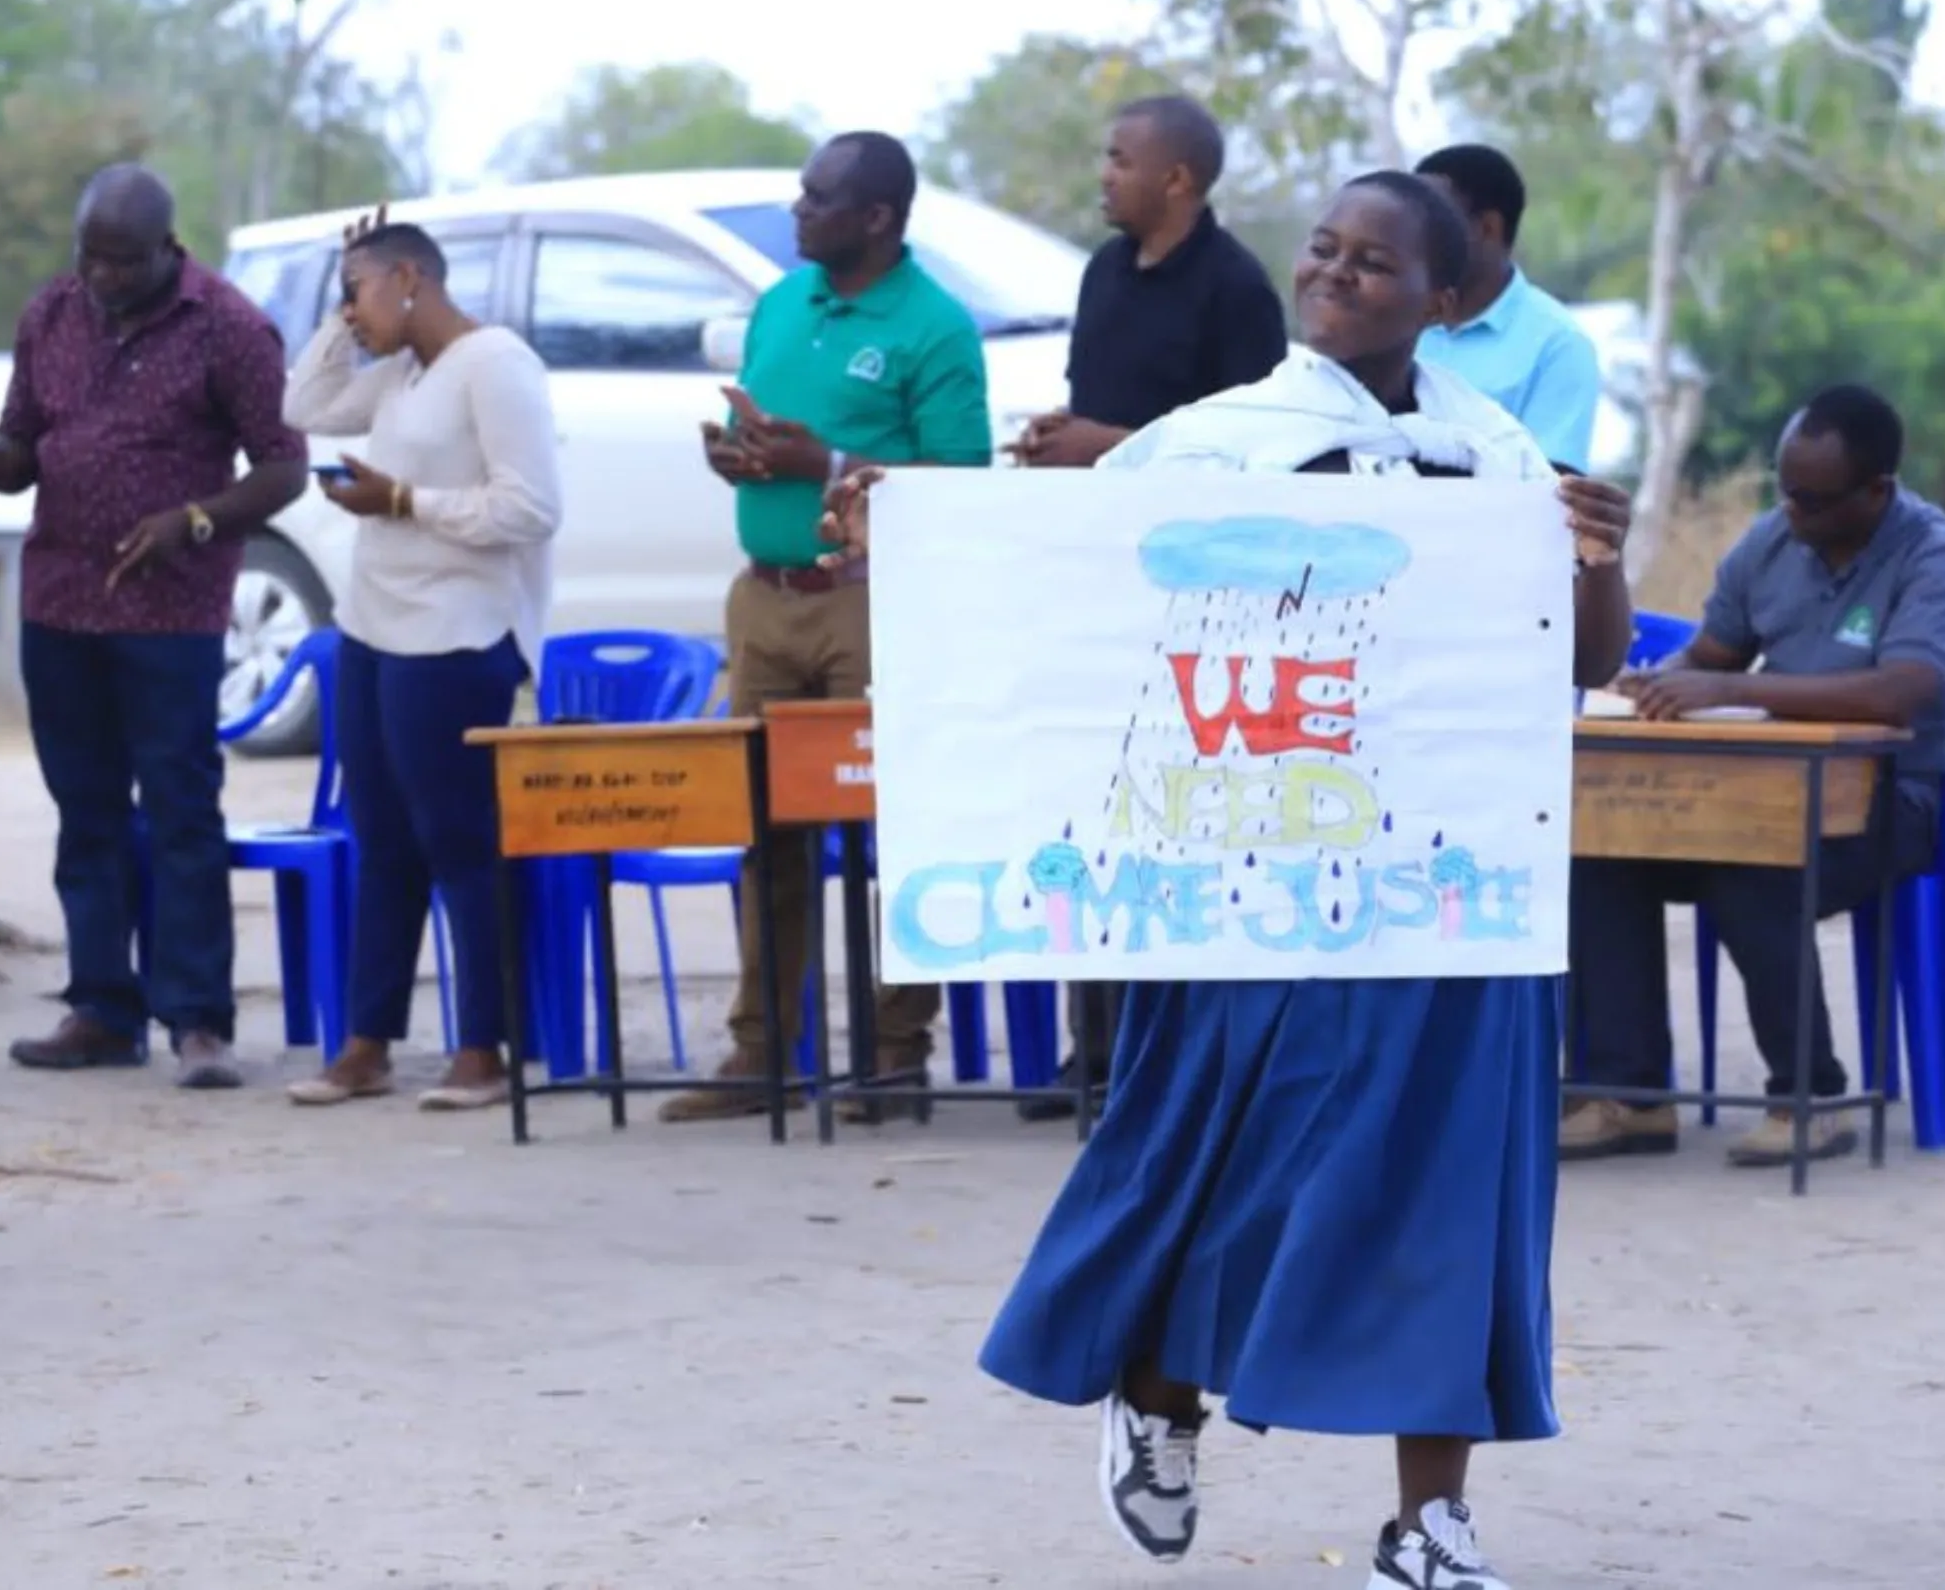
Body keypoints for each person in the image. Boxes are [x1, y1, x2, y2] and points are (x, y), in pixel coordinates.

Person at [820, 171, 1636, 1590]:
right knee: (1234, 1171)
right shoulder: (1207, 448)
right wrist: (905, 533)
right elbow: (1061, 594)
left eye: (1378, 263)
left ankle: (1428, 1523)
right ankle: (1160, 1396)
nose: (1338, 273)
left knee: (1453, 1194)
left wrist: (1600, 562)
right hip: (1251, 891)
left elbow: (1582, 661)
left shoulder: (1503, 461)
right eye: (1324, 248)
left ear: (1444, 301)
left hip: (1448, 894)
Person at [0, 165, 308, 1088]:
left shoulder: (226, 325)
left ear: (164, 249)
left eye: (120, 262)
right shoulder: (50, 314)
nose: (99, 278)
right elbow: (25, 448)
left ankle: (198, 1021)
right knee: (86, 812)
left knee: (181, 808)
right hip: (60, 598)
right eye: (88, 257)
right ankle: (102, 1007)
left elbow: (283, 468)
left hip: (170, 611)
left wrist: (192, 521)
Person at [1561, 384, 1945, 1169]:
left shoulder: (1936, 557)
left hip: (1899, 798)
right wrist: (1665, 688)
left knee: (1754, 865)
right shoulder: (1771, 541)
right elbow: (1712, 655)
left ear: (1877, 492)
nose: (1795, 513)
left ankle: (1812, 1097)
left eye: (1816, 501)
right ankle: (1629, 1095)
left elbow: (1902, 689)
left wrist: (1732, 690)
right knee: (1601, 853)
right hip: (1763, 787)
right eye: (1785, 492)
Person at [660, 131, 992, 1127]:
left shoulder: (934, 326)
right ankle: (763, 1050)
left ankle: (895, 1056)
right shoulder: (780, 302)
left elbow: (966, 481)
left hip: (869, 599)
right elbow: (780, 440)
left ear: (878, 218)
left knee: (896, 828)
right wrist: (741, 459)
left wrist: (832, 463)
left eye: (817, 198)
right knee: (767, 828)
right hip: (764, 600)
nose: (798, 212)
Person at [1009, 92, 1290, 1123]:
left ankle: (1178, 1065)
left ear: (1179, 179)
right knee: (1098, 812)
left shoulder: (1239, 290)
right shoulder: (1100, 272)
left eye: (1120, 159)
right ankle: (1100, 1051)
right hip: (1100, 578)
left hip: (1202, 590)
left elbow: (1255, 448)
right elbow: (1099, 412)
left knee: (1182, 822)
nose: (1103, 174)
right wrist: (1066, 436)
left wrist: (1112, 441)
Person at [277, 211, 563, 1111]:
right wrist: (336, 296)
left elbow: (529, 509)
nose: (351, 314)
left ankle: (483, 1049)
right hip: (372, 627)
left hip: (458, 632)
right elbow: (303, 407)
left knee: (460, 843)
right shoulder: (399, 373)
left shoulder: (496, 364)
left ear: (410, 278)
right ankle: (368, 1044)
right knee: (385, 839)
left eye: (357, 293)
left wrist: (403, 499)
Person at [1414, 145, 1602, 473]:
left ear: (1487, 228)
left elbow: (1551, 494)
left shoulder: (1558, 345)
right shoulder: (1394, 319)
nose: (1415, 236)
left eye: (1432, 221)